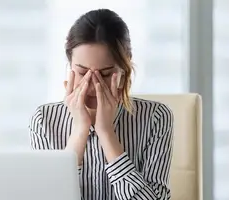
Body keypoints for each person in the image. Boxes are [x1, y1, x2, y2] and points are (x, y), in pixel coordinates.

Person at [29, 9, 174, 200]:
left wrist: (106, 133)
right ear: (70, 68)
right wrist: (79, 132)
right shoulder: (45, 121)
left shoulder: (156, 118)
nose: (91, 85)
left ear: (124, 70)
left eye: (104, 74)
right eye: (82, 72)